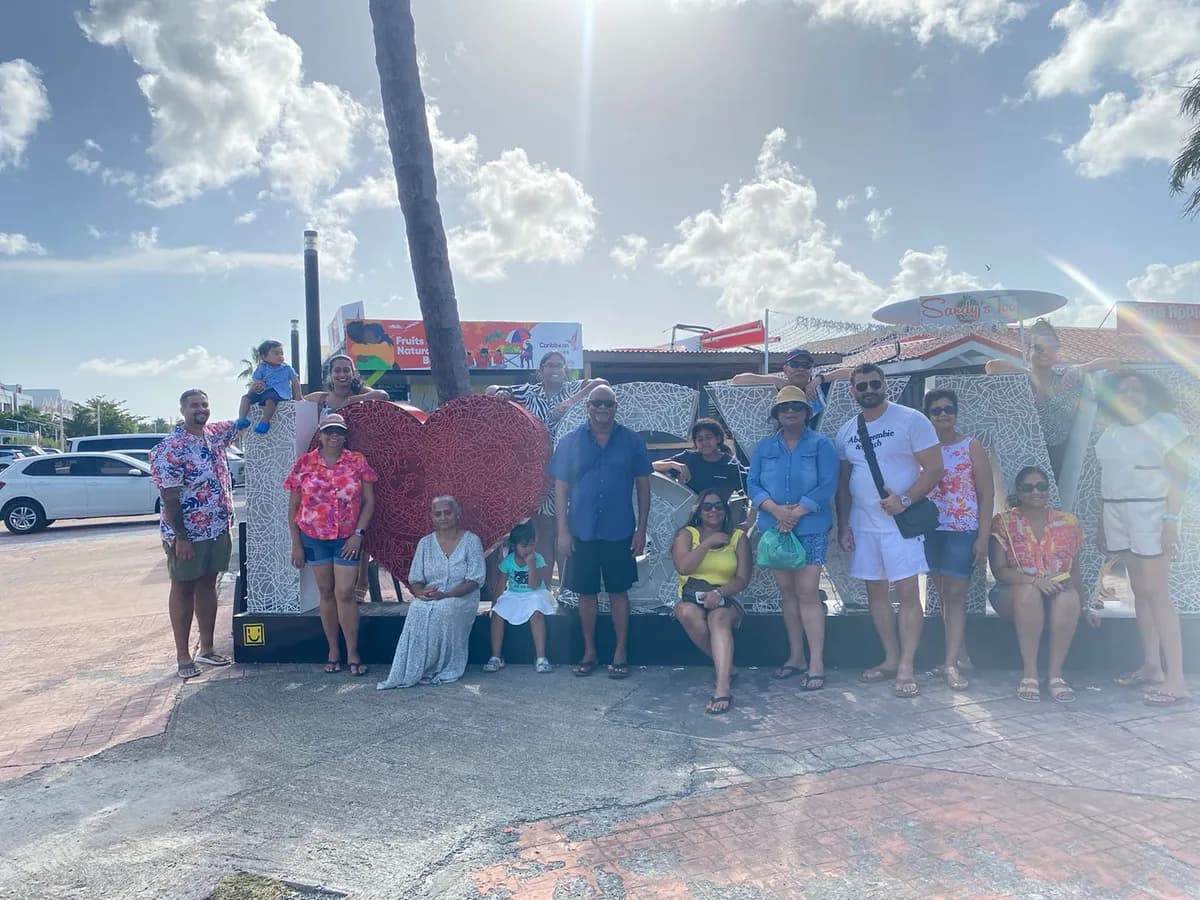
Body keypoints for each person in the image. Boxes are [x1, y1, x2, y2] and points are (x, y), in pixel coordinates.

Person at [835, 364, 944, 698]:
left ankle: (908, 664)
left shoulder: (911, 420)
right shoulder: (846, 431)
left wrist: (906, 500)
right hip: (864, 527)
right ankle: (891, 657)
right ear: (852, 390)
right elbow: (843, 484)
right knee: (876, 596)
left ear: (885, 385)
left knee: (910, 594)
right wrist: (844, 525)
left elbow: (935, 468)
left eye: (874, 384)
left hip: (901, 525)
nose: (868, 390)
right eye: (861, 386)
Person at [1095, 372, 1191, 705]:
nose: (1130, 395)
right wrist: (1100, 523)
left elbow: (1179, 475)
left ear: (1149, 393)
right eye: (1123, 391)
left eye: (1136, 390)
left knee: (1157, 593)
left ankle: (1176, 679)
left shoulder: (1166, 424)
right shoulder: (1111, 431)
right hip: (1117, 515)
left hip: (1151, 514)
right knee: (1139, 592)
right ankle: (1152, 665)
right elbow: (1108, 480)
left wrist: (1170, 521)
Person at [551, 384, 652, 679]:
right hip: (581, 530)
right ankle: (590, 651)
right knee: (586, 594)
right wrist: (562, 531)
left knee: (619, 592)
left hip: (619, 528)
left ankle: (620, 652)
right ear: (588, 407)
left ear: (615, 407)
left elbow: (643, 487)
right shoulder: (571, 442)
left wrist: (641, 528)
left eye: (608, 404)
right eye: (598, 404)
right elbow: (561, 488)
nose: (603, 409)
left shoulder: (631, 441)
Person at [747, 386, 839, 689]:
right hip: (775, 528)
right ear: (777, 414)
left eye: (796, 408)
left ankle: (816, 661)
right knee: (787, 594)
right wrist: (776, 510)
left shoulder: (821, 445)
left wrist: (796, 513)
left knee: (808, 593)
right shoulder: (765, 448)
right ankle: (796, 656)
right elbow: (754, 483)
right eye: (784, 408)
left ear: (806, 412)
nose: (790, 412)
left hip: (809, 527)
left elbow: (827, 485)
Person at [148, 389, 239, 679]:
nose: (200, 409)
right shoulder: (170, 448)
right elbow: (170, 498)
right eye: (194, 405)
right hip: (188, 533)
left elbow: (244, 420)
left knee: (208, 584)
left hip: (217, 528)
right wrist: (181, 537)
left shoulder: (214, 437)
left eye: (204, 404)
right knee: (183, 587)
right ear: (182, 410)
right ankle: (183, 656)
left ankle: (208, 648)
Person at [989, 466, 1097, 702]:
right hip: (1013, 591)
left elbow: (1075, 572)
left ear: (1049, 489)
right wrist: (1035, 581)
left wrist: (1084, 606)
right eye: (1028, 487)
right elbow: (999, 570)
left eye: (1042, 486)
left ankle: (1056, 675)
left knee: (1069, 597)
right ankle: (1030, 673)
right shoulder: (1004, 522)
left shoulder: (1068, 522)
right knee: (1029, 593)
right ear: (1018, 491)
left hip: (1056, 592)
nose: (1035, 491)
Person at [284, 414, 378, 676]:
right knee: (326, 592)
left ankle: (353, 651)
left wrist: (359, 533)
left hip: (347, 538)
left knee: (345, 593)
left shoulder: (357, 461)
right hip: (314, 538)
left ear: (345, 435)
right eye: (329, 431)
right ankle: (333, 649)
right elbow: (293, 507)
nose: (334, 436)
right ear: (321, 435)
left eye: (339, 431)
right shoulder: (305, 463)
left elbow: (369, 502)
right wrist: (296, 544)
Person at [510, 351, 608, 581]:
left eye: (560, 365)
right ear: (540, 369)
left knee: (566, 530)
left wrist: (572, 402)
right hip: (538, 472)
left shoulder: (573, 389)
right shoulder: (529, 392)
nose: (555, 369)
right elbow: (492, 392)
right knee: (543, 531)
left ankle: (568, 588)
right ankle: (545, 591)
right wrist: (503, 393)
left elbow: (602, 383)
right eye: (550, 365)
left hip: (568, 471)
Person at [922, 389, 994, 691]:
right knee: (943, 594)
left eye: (948, 409)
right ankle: (958, 654)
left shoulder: (971, 446)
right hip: (931, 530)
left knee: (955, 594)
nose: (943, 415)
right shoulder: (922, 449)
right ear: (928, 415)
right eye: (936, 410)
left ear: (956, 412)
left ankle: (952, 664)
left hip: (962, 529)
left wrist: (983, 537)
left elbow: (986, 493)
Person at [377, 496, 487, 689]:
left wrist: (446, 595)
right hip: (432, 598)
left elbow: (474, 580)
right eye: (438, 514)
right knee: (417, 609)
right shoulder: (425, 544)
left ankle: (441, 667)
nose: (443, 517)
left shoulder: (471, 541)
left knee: (445, 609)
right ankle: (418, 668)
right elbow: (416, 580)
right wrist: (422, 593)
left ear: (457, 514)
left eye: (448, 512)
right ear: (432, 517)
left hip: (462, 598)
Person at [985, 319, 1117, 477]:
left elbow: (1114, 364)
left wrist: (1080, 368)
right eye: (1040, 348)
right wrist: (1028, 374)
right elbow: (991, 367)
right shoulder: (1021, 380)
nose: (1046, 353)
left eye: (1052, 348)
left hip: (1067, 461)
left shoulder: (1067, 377)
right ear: (1028, 351)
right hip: (1028, 463)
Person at [670, 491, 752, 713]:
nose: (713, 511)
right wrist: (707, 544)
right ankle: (728, 668)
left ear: (725, 510)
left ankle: (722, 686)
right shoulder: (687, 534)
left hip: (728, 595)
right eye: (707, 507)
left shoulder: (737, 537)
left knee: (718, 617)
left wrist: (720, 592)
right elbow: (684, 567)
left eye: (718, 506)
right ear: (699, 511)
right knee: (686, 613)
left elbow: (743, 579)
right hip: (692, 597)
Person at [484, 521, 556, 674]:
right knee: (497, 614)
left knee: (536, 612)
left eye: (531, 545)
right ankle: (496, 657)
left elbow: (534, 585)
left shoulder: (538, 559)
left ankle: (541, 657)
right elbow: (500, 586)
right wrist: (492, 607)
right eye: (524, 546)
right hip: (514, 594)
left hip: (535, 593)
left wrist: (531, 565)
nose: (528, 549)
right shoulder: (507, 561)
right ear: (514, 546)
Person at [652, 418, 744, 502]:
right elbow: (652, 467)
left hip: (717, 515)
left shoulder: (731, 464)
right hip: (689, 515)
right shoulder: (688, 457)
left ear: (718, 438)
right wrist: (673, 465)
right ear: (695, 442)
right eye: (700, 439)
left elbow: (752, 491)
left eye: (708, 437)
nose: (705, 442)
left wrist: (750, 519)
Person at [731, 347, 828, 419]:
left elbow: (843, 373)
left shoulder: (819, 389)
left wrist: (819, 380)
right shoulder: (775, 389)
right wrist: (774, 380)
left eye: (806, 365)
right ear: (785, 369)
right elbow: (737, 380)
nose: (800, 369)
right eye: (794, 364)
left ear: (811, 369)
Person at [237, 339, 302, 434]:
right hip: (263, 390)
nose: (280, 356)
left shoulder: (287, 368)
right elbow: (256, 380)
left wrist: (298, 395)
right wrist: (256, 387)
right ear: (264, 357)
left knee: (270, 401)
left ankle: (264, 422)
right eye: (276, 353)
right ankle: (242, 419)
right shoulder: (262, 367)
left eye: (281, 353)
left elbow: (295, 381)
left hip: (278, 392)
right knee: (245, 398)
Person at [303, 353, 390, 418]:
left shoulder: (361, 392)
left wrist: (352, 400)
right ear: (330, 374)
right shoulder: (322, 398)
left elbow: (383, 395)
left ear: (353, 374)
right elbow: (296, 404)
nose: (342, 375)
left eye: (346, 370)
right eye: (337, 370)